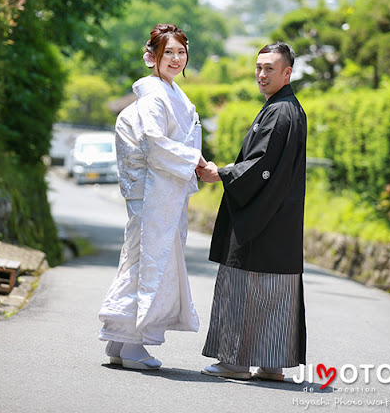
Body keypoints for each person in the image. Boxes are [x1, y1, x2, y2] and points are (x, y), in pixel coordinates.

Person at [98, 24, 206, 370]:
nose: (176, 59)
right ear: (151, 58)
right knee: (149, 265)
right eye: (168, 53)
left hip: (162, 193)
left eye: (181, 52)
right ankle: (133, 345)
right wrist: (194, 160)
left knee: (141, 262)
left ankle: (119, 341)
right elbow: (154, 144)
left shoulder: (170, 94)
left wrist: (190, 161)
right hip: (154, 194)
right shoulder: (156, 98)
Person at [197, 42, 307, 381]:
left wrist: (222, 174)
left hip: (259, 220)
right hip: (281, 220)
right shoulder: (290, 109)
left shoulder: (279, 111)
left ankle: (234, 361)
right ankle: (271, 365)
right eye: (259, 67)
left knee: (244, 288)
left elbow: (260, 165)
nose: (261, 74)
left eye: (270, 68)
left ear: (287, 72)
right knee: (276, 295)